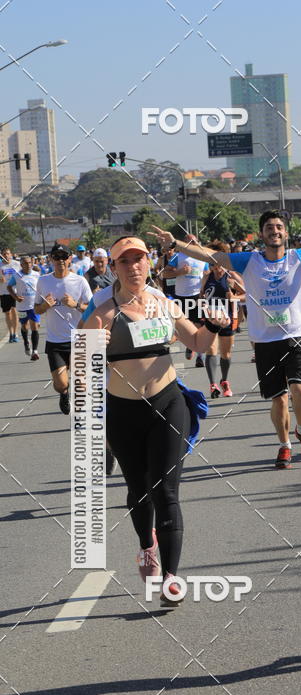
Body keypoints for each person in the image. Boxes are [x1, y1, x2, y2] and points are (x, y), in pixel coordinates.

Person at [149, 212, 301, 469]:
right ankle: (285, 446)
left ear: (286, 232)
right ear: (262, 233)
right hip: (265, 341)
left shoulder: (300, 257)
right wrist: (175, 244)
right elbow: (211, 256)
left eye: (279, 227)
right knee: (279, 398)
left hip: (296, 335)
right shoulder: (248, 260)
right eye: (270, 227)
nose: (275, 231)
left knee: (300, 391)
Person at [80, 236, 228, 607]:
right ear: (114, 267)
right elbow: (83, 361)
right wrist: (82, 383)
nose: (133, 267)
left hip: (168, 403)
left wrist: (214, 325)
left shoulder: (164, 302)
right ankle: (147, 546)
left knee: (167, 491)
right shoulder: (103, 311)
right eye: (124, 261)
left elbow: (196, 343)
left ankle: (171, 576)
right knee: (139, 489)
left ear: (149, 263)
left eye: (139, 259)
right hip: (125, 411)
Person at [34, 244, 93, 414]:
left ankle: (82, 416)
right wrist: (45, 306)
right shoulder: (43, 281)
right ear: (51, 259)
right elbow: (36, 309)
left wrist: (76, 305)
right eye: (56, 257)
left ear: (69, 259)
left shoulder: (79, 281)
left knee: (81, 383)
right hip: (55, 341)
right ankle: (64, 393)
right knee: (60, 383)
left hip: (78, 339)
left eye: (63, 257)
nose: (60, 260)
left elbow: (91, 308)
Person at [198, 244, 245, 398]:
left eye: (217, 263)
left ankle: (224, 381)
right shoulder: (206, 276)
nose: (214, 267)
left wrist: (235, 297)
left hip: (227, 319)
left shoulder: (231, 276)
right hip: (211, 319)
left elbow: (248, 295)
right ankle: (213, 385)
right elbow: (200, 296)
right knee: (211, 350)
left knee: (225, 353)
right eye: (211, 263)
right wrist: (203, 303)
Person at [164, 245, 208, 368]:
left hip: (197, 295)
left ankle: (200, 355)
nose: (193, 244)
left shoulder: (202, 257)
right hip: (181, 296)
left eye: (195, 241)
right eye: (190, 241)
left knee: (199, 325)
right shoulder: (178, 257)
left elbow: (207, 273)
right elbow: (165, 274)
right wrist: (180, 272)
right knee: (182, 325)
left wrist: (205, 287)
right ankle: (190, 345)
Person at [6, 255, 41, 360]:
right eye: (25, 263)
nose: (28, 265)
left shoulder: (36, 275)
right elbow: (9, 287)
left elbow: (41, 288)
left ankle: (35, 351)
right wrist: (16, 297)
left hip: (34, 305)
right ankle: (26, 342)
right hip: (22, 307)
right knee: (25, 327)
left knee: (34, 327)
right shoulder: (17, 276)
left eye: (30, 262)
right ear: (21, 265)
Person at [0, 248, 21, 342]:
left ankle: (15, 333)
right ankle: (11, 333)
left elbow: (22, 276)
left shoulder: (16, 264)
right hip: (3, 292)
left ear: (11, 254)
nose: (6, 256)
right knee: (7, 313)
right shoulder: (0, 266)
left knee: (14, 311)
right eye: (4, 254)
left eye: (7, 254)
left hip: (14, 291)